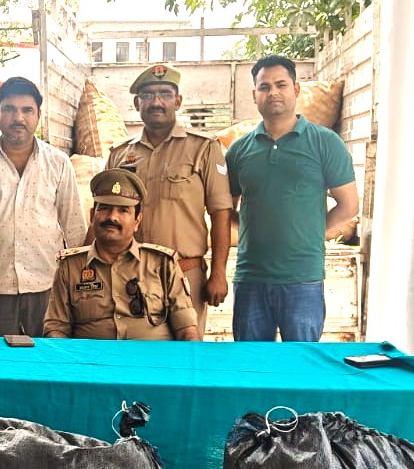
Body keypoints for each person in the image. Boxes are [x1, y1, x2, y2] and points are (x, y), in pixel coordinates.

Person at [225, 55, 359, 342]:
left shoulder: (324, 142)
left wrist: (311, 233)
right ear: (254, 94)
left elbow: (349, 205)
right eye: (264, 87)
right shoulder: (239, 150)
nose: (273, 92)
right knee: (250, 363)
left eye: (281, 84)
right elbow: (225, 209)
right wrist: (253, 229)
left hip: (303, 279)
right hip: (251, 278)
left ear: (296, 89)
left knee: (301, 363)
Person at [0, 77, 87, 337]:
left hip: (48, 284)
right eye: (10, 109)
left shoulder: (58, 163)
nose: (18, 118)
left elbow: (75, 231)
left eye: (27, 110)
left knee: (48, 355)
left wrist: (76, 285)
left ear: (38, 115)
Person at [107, 63, 233, 336]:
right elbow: (104, 215)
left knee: (187, 354)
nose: (157, 102)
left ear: (178, 101)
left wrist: (218, 273)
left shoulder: (203, 148)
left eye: (165, 94)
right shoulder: (120, 154)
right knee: (134, 352)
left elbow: (220, 212)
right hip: (130, 276)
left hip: (185, 275)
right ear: (137, 103)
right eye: (148, 95)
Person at [44, 169, 199, 340]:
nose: (112, 217)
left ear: (137, 221)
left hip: (153, 356)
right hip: (93, 357)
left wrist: (191, 357)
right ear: (92, 216)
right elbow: (56, 328)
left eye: (123, 210)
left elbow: (186, 329)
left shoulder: (162, 263)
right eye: (104, 208)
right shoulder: (70, 266)